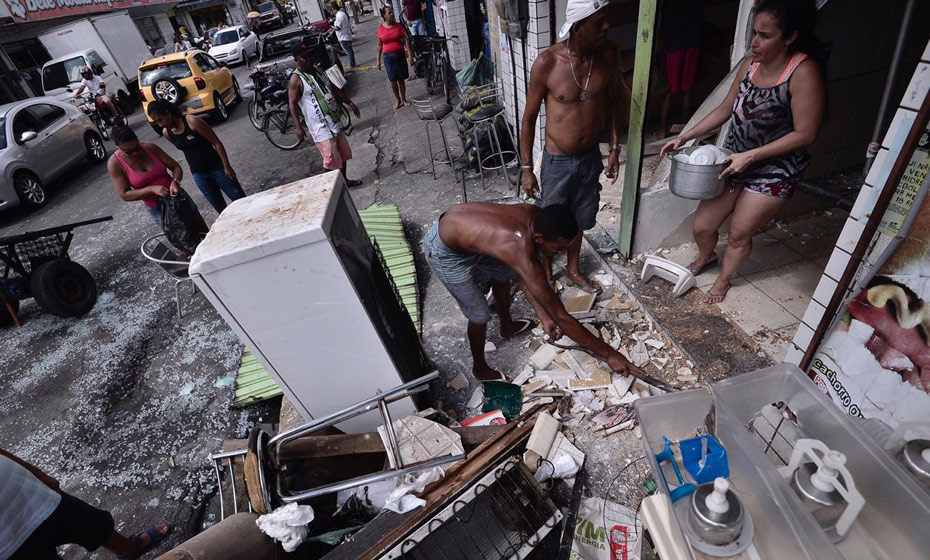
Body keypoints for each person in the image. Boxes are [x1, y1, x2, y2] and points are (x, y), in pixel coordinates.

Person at [659, 0, 824, 304]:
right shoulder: (750, 65)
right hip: (733, 160)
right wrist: (685, 137)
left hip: (776, 169)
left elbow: (806, 133)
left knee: (738, 232)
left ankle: (724, 280)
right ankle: (707, 257)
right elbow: (725, 108)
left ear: (789, 37)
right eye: (754, 33)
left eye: (765, 35)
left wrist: (752, 156)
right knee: (703, 226)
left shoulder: (803, 72)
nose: (755, 42)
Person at [425, 203, 644, 381]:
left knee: (503, 273)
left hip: (467, 230)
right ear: (539, 238)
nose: (560, 253)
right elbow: (561, 316)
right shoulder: (517, 247)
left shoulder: (535, 215)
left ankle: (507, 326)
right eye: (557, 248)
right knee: (479, 314)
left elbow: (525, 278)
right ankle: (480, 368)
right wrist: (609, 355)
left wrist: (543, 316)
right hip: (446, 251)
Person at [520, 0, 623, 294]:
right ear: (579, 27)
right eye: (599, 22)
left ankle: (574, 269)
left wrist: (614, 147)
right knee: (551, 220)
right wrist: (527, 170)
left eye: (607, 20)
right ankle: (547, 271)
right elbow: (528, 120)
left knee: (581, 218)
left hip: (590, 157)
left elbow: (614, 103)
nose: (607, 27)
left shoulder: (609, 55)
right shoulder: (547, 63)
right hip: (557, 161)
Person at [1, 448, 170, 560]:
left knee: (88, 522)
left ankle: (128, 548)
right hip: (6, 539)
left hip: (26, 489)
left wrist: (37, 473)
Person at [146, 100, 246, 214]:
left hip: (219, 170)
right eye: (156, 122)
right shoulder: (167, 133)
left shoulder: (192, 121)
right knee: (220, 209)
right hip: (199, 176)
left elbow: (216, 143)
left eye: (160, 120)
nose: (160, 124)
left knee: (241, 202)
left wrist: (227, 167)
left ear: (168, 113)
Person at [288, 38, 363, 186]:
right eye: (304, 57)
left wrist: (350, 103)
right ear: (297, 60)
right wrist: (298, 126)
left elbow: (334, 88)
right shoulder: (296, 80)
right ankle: (327, 188)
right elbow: (292, 103)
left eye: (309, 56)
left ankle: (344, 181)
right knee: (329, 159)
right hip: (320, 128)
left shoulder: (318, 70)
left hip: (334, 121)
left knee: (342, 153)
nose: (308, 59)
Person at [107, 126, 207, 232]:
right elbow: (125, 194)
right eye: (128, 152)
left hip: (177, 197)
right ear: (118, 147)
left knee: (202, 231)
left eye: (137, 148)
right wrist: (151, 189)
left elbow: (175, 167)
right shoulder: (114, 164)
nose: (135, 153)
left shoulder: (150, 148)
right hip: (157, 208)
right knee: (180, 241)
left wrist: (175, 181)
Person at [657, 0, 704, 140]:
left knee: (668, 91)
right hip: (691, 41)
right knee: (687, 90)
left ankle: (663, 130)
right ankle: (685, 127)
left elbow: (662, 21)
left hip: (674, 44)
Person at [377, 6, 414, 110]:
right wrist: (378, 60)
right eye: (389, 13)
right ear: (384, 15)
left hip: (400, 55)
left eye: (392, 12)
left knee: (401, 79)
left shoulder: (398, 26)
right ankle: (397, 99)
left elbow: (405, 41)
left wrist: (410, 56)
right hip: (388, 57)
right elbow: (380, 45)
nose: (392, 14)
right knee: (393, 80)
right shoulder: (380, 28)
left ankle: (404, 99)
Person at [332, 3, 356, 68]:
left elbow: (338, 27)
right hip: (346, 34)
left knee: (348, 51)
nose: (332, 12)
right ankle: (352, 63)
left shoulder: (339, 16)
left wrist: (332, 27)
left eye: (332, 10)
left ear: (334, 9)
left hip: (343, 36)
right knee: (349, 50)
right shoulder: (342, 14)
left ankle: (352, 64)